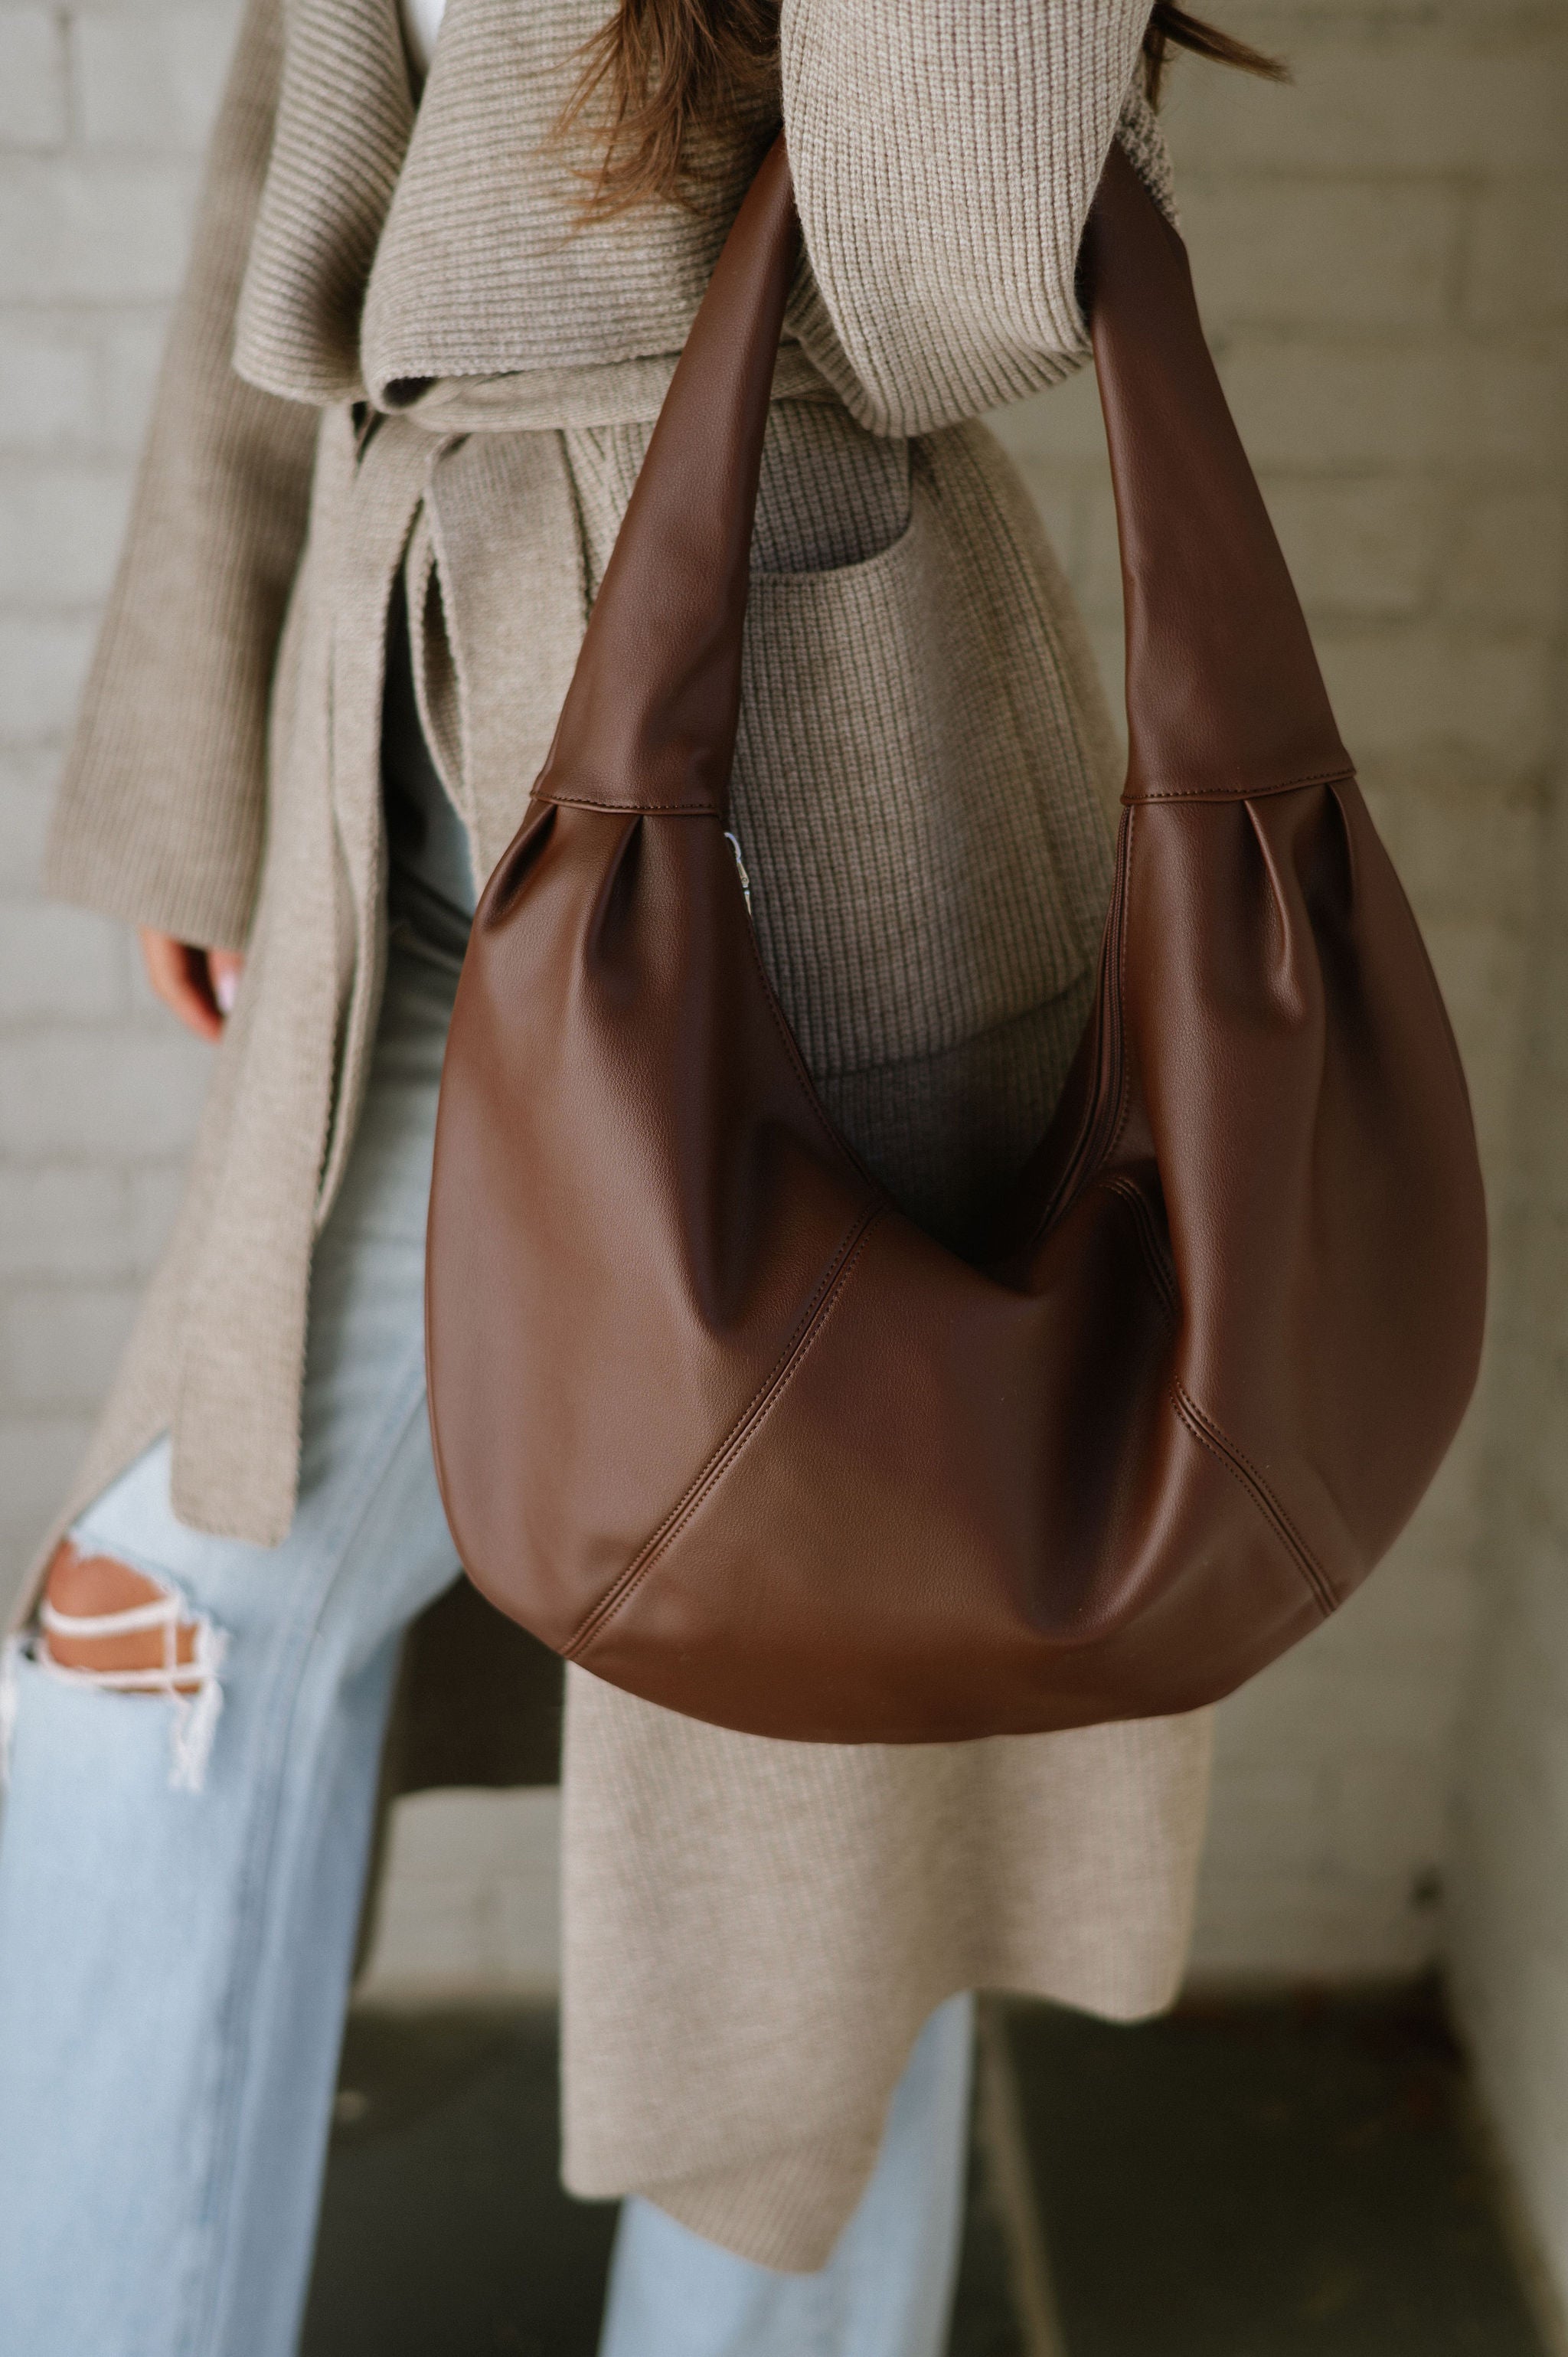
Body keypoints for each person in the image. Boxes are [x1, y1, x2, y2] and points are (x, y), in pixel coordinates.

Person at [0, 3, 1276, 2351]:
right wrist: (204, 738)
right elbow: (298, 129)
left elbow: (951, 266)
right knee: (149, 1643)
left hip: (820, 785)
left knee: (823, 1801)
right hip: (402, 754)